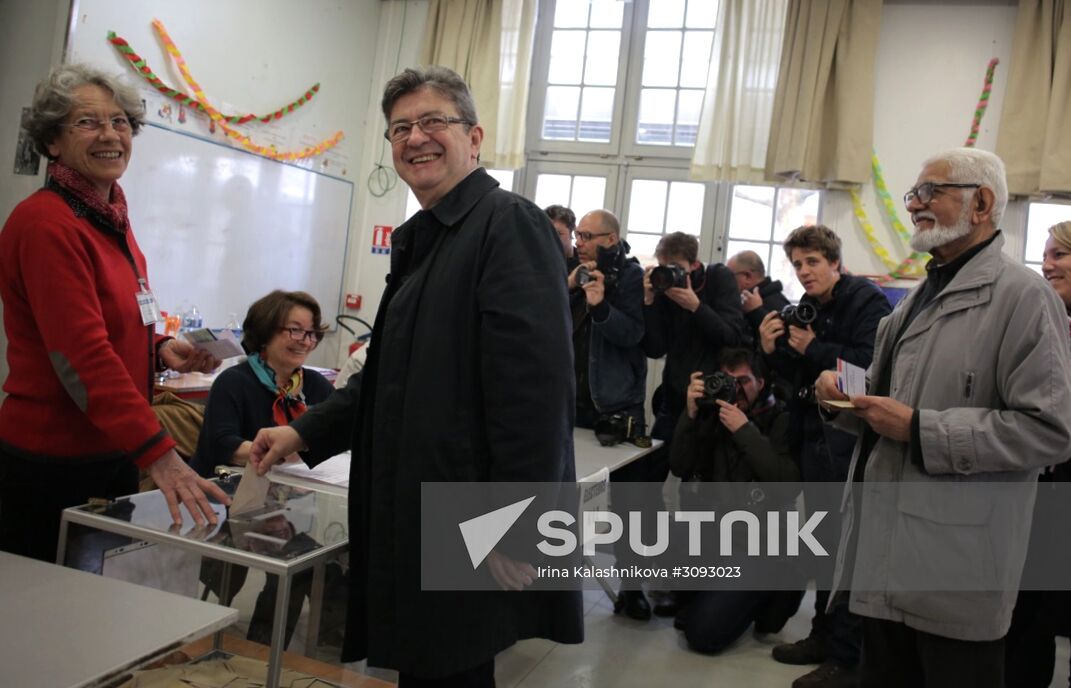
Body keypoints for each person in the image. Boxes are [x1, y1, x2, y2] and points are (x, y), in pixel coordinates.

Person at [249, 66, 582, 686]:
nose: (415, 137)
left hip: (466, 510)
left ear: (475, 137)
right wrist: (304, 433)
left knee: (452, 668)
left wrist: (519, 523)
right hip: (420, 506)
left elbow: (535, 395)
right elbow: (388, 381)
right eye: (400, 127)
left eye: (434, 121)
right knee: (429, 666)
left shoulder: (506, 223)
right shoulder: (428, 239)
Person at [816, 148, 1071, 687]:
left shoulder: (1025, 299)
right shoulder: (914, 301)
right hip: (883, 561)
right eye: (913, 194)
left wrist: (917, 428)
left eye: (930, 192)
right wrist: (843, 401)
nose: (914, 206)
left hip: (958, 573)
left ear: (981, 203)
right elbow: (887, 411)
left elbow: (1049, 432)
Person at [0, 63, 228, 563]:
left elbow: (117, 322)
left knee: (96, 616)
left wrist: (162, 349)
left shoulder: (110, 217)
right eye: (88, 122)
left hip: (111, 451)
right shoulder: (46, 223)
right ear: (52, 142)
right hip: (53, 463)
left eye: (121, 121)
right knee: (43, 622)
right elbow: (82, 356)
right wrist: (161, 456)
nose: (110, 134)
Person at [759, 224, 891, 688]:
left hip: (848, 442)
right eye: (797, 264)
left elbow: (869, 365)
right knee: (822, 543)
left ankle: (846, 656)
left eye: (812, 261)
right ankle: (821, 635)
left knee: (847, 551)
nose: (804, 271)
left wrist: (813, 347)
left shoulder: (866, 301)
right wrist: (771, 347)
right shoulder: (805, 309)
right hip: (811, 437)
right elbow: (795, 375)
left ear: (835, 261)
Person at [190, 290, 336, 647]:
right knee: (239, 559)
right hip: (227, 495)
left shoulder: (314, 384)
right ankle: (203, 638)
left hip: (291, 497)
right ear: (268, 331)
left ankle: (261, 651)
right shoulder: (234, 381)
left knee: (302, 561)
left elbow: (333, 434)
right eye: (295, 330)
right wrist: (278, 451)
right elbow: (225, 444)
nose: (305, 341)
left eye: (311, 333)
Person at [669, 347, 802, 654]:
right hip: (714, 532)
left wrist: (744, 430)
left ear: (762, 383)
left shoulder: (781, 418)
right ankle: (712, 594)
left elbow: (786, 485)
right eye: (727, 381)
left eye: (743, 381)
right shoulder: (709, 412)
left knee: (703, 636)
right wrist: (689, 413)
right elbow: (679, 466)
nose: (734, 389)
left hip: (759, 541)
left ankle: (779, 586)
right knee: (665, 535)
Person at [566, 208, 648, 618]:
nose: (578, 241)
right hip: (569, 402)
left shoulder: (632, 277)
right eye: (576, 234)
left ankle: (633, 588)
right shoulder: (572, 269)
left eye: (587, 235)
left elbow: (634, 334)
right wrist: (565, 292)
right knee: (561, 497)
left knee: (630, 505)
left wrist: (599, 305)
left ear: (611, 239)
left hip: (616, 404)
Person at [1004, 219, 1071, 688]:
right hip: (1045, 491)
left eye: (1059, 255)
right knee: (1029, 616)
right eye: (1045, 255)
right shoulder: (1054, 325)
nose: (1046, 265)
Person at [728, 249, 790, 339]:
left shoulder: (776, 305)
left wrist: (756, 312)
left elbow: (784, 343)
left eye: (729, 276)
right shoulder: (745, 303)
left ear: (747, 276)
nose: (726, 282)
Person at [546, 204, 578, 272]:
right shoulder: (538, 262)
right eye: (547, 233)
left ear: (571, 231)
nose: (551, 239)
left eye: (558, 234)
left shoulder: (583, 261)